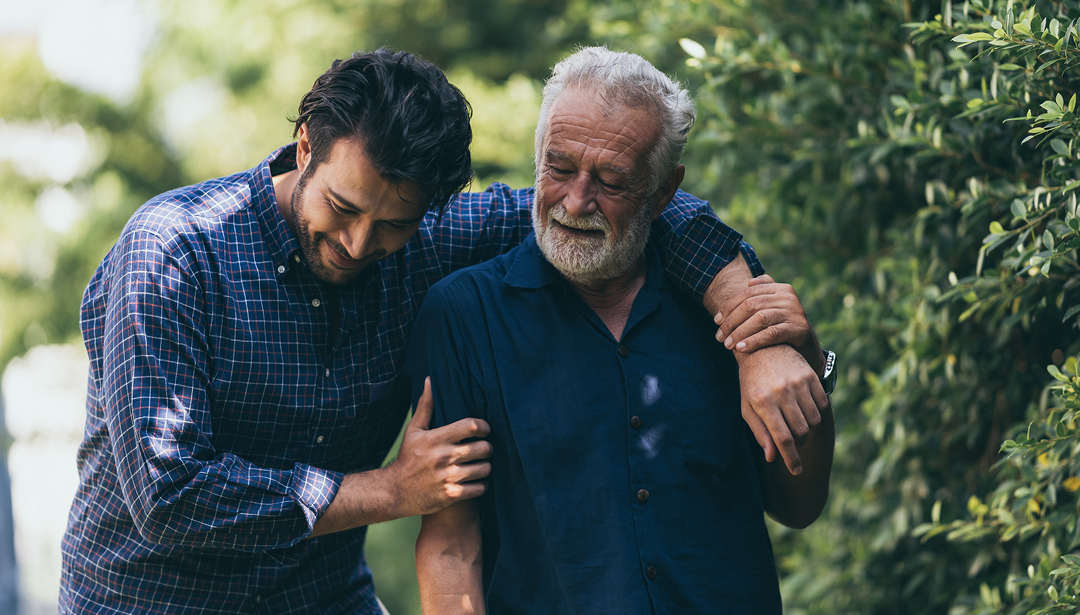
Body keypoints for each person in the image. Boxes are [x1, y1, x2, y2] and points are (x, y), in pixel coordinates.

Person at [60, 47, 821, 614]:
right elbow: (170, 493)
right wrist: (391, 488)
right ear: (304, 147)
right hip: (147, 600)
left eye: (391, 224)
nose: (359, 245)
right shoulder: (173, 252)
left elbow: (627, 206)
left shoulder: (431, 236)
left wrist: (754, 328)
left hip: (322, 600)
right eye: (344, 208)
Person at [407, 46, 835, 613]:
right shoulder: (464, 314)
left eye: (611, 180)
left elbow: (798, 505)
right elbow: (451, 543)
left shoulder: (731, 305)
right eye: (558, 168)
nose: (577, 201)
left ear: (664, 192)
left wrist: (806, 360)